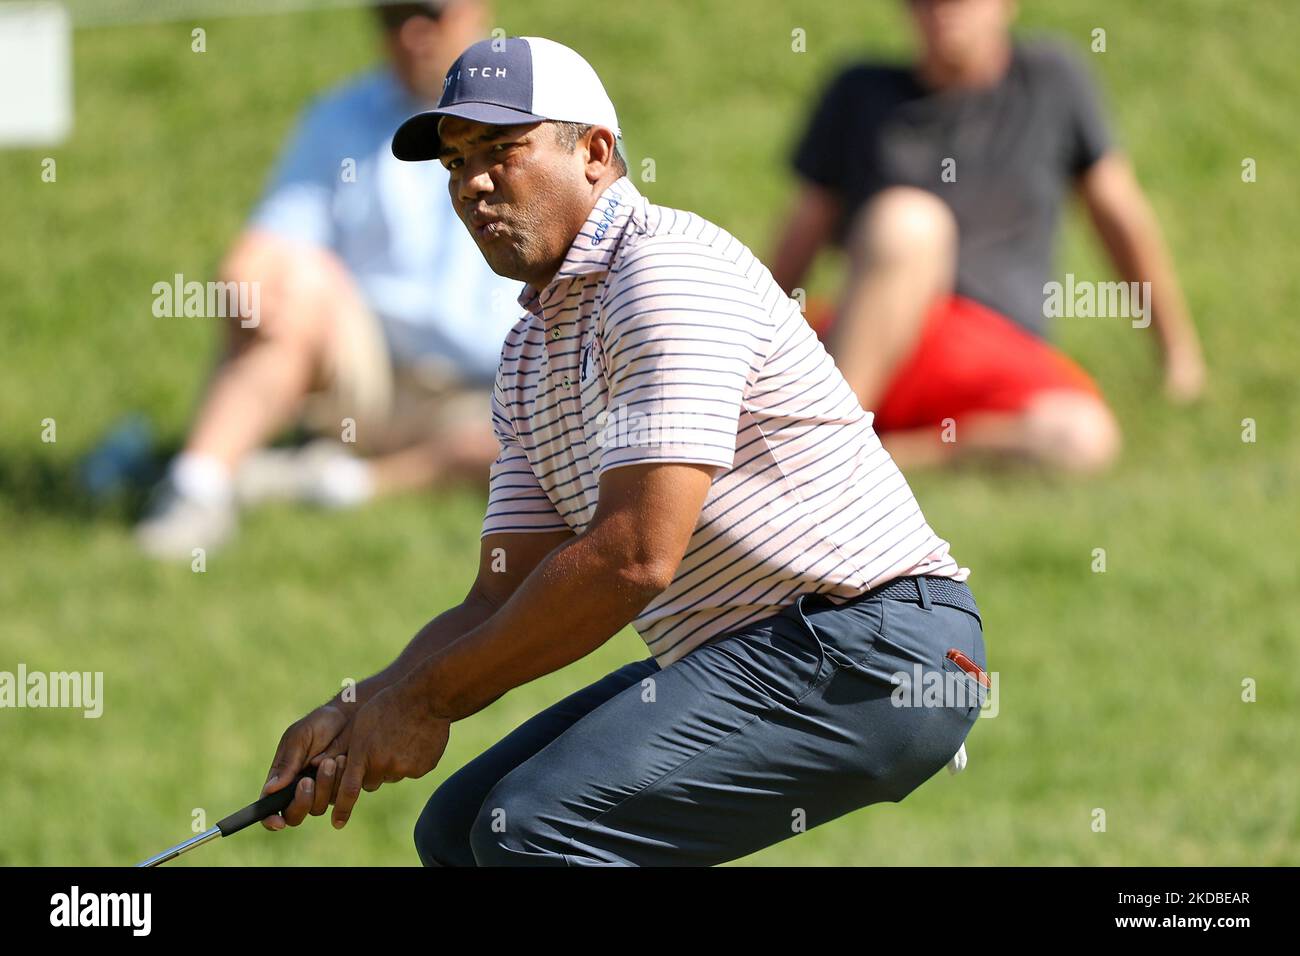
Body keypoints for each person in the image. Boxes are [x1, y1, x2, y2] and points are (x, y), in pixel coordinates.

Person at [258, 36, 991, 867]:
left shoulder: (662, 271)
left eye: (502, 150)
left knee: (532, 830)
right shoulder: (530, 351)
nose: (472, 184)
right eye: (456, 162)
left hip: (878, 648)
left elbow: (634, 556)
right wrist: (362, 709)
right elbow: (498, 597)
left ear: (595, 153)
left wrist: (426, 705)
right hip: (769, 649)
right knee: (460, 832)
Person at [135, 1, 521, 558]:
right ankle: (199, 487)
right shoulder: (339, 117)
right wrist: (251, 285)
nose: (411, 32)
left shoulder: (548, 115)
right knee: (285, 284)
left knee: (570, 410)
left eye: (429, 13)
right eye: (392, 15)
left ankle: (330, 483)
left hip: (500, 380)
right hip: (369, 376)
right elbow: (265, 251)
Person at [770, 0, 1206, 472]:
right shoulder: (860, 92)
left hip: (992, 355)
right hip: (875, 336)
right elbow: (801, 235)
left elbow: (1119, 217)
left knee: (1083, 437)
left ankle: (872, 459)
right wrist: (749, 352)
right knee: (910, 223)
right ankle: (822, 453)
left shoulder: (1052, 80)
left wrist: (1178, 355)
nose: (942, 11)